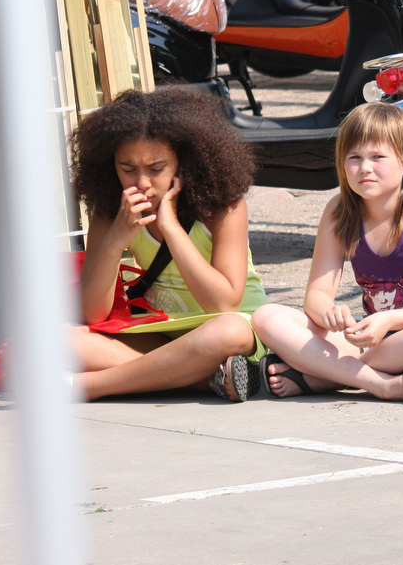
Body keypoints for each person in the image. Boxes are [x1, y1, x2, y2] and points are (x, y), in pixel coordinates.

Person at [252, 103, 403, 403]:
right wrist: (329, 312)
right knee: (267, 316)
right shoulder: (339, 210)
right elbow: (316, 296)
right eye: (354, 157)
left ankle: (322, 377)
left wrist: (390, 321)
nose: (365, 167)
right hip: (368, 341)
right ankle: (380, 383)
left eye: (378, 157)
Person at [68, 85, 267, 402]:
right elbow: (91, 315)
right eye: (127, 169)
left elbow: (223, 305)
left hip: (228, 329)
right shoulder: (111, 212)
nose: (142, 183)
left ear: (183, 164)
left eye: (156, 169)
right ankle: (205, 380)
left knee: (228, 331)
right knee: (62, 340)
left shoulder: (224, 206)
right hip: (160, 331)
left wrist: (171, 228)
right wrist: (115, 241)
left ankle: (91, 386)